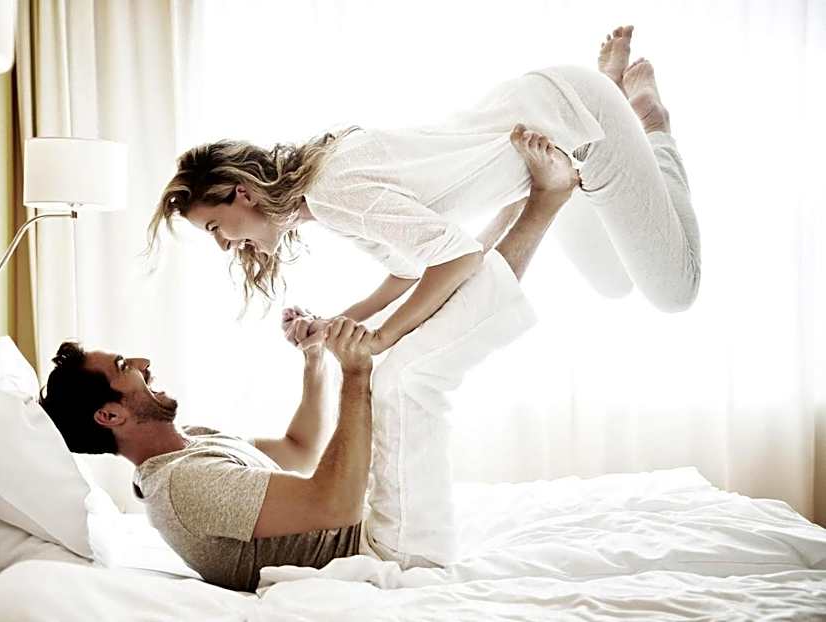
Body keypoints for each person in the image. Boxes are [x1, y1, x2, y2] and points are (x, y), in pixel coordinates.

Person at [41, 130, 576, 590]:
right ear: (109, 415)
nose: (142, 361)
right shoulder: (183, 488)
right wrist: (356, 374)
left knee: (417, 347)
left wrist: (315, 360)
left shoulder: (192, 445)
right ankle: (544, 201)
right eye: (123, 368)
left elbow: (300, 449)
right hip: (388, 551)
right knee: (407, 376)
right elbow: (333, 505)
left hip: (376, 528)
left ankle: (526, 201)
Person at [147, 25, 700, 358]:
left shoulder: (333, 191)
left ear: (241, 192)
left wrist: (382, 338)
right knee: (613, 283)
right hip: (550, 145)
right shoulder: (324, 201)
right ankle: (614, 94)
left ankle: (649, 124)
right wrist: (338, 323)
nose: (223, 245)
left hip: (571, 116)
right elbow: (410, 270)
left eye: (213, 227)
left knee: (675, 292)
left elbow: (457, 256)